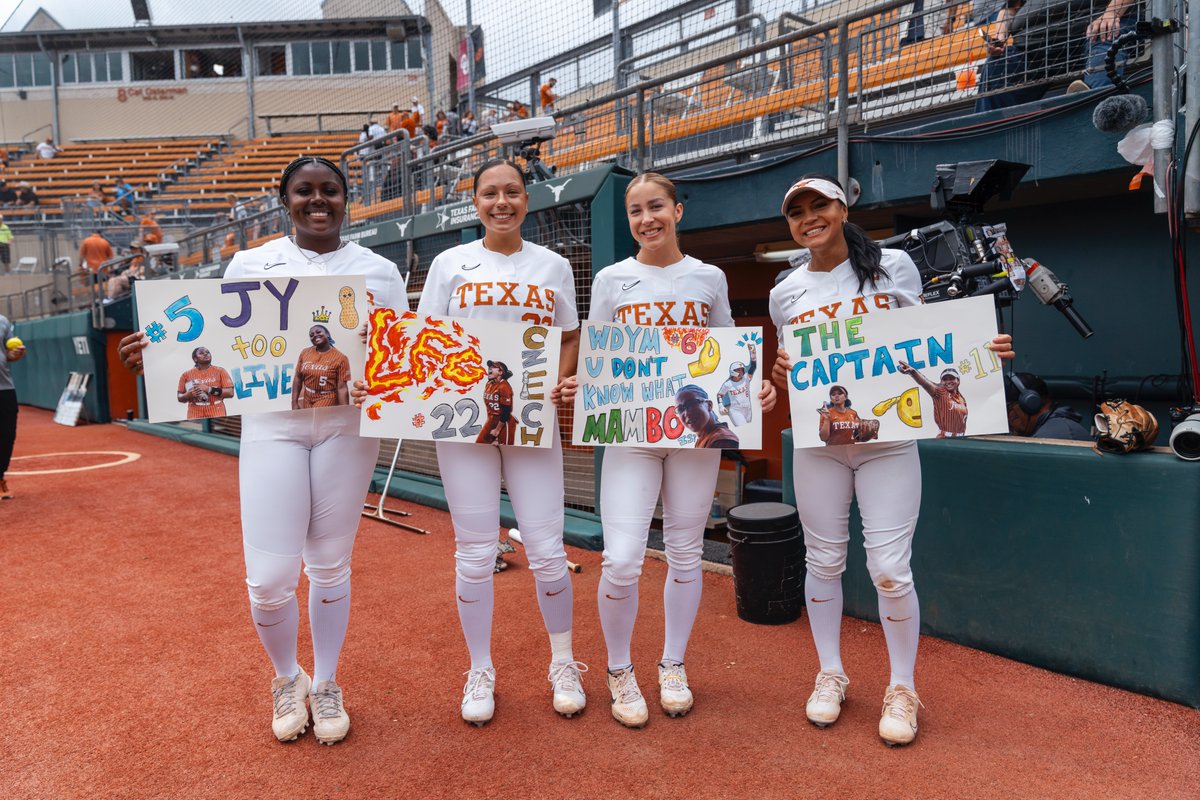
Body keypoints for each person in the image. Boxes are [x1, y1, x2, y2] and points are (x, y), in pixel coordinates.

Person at [119, 156, 408, 746]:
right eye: (304, 191)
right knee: (270, 578)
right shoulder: (250, 263)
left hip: (347, 427)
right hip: (273, 426)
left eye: (330, 190)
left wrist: (381, 379)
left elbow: (395, 357)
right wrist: (157, 354)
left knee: (329, 566)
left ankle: (326, 682)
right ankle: (286, 676)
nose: (317, 200)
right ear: (286, 200)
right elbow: (206, 336)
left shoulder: (378, 269)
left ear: (347, 198)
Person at [769, 174, 1013, 746]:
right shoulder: (785, 291)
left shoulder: (893, 265)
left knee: (889, 568)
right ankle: (830, 672)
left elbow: (930, 337)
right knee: (823, 562)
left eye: (819, 204)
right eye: (797, 210)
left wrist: (983, 349)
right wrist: (781, 374)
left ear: (842, 206)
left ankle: (902, 686)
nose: (809, 216)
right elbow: (795, 370)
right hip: (821, 447)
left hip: (889, 443)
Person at [563, 172, 776, 728]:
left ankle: (673, 664)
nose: (646, 219)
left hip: (695, 435)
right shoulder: (612, 278)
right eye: (635, 211)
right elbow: (597, 352)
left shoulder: (708, 277)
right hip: (632, 434)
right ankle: (617, 669)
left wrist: (753, 387)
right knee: (623, 557)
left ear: (678, 210)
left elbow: (730, 348)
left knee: (685, 551)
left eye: (655, 206)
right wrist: (579, 383)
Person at [414, 158, 583, 726]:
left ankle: (563, 660)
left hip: (531, 419)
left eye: (512, 192)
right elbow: (424, 339)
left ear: (527, 200)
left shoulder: (554, 265)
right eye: (490, 193)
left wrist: (560, 382)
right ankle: (480, 667)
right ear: (476, 201)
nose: (501, 202)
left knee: (548, 550)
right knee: (475, 550)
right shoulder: (449, 263)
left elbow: (570, 336)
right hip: (464, 421)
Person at [1006, 371, 1091, 440]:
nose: (1007, 417)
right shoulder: (1055, 427)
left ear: (1030, 403)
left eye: (1008, 408)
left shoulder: (1054, 434)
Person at [898, 364, 968, 438]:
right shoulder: (941, 393)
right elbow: (926, 383)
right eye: (945, 379)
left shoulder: (961, 398)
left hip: (961, 438)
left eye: (951, 378)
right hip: (945, 439)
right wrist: (913, 372)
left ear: (958, 380)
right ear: (941, 382)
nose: (948, 381)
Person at [291, 324, 351, 410]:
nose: (315, 335)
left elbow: (342, 388)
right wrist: (294, 402)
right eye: (311, 335)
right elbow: (298, 378)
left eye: (318, 332)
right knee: (308, 421)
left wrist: (344, 410)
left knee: (319, 422)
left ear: (327, 334)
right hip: (307, 396)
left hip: (326, 397)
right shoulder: (305, 353)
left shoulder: (341, 358)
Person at [0, 312, 26, 500]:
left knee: (7, 435)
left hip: (4, 387)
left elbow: (9, 355)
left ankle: (0, 476)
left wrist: (15, 354)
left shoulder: (2, 322)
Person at [676, 384, 740, 449]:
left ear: (709, 405)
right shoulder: (705, 438)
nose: (687, 414)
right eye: (680, 409)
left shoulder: (721, 440)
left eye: (692, 404)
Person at [177, 346, 234, 418]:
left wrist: (209, 389)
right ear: (195, 359)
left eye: (207, 352)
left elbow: (230, 392)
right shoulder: (186, 375)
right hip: (194, 410)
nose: (205, 354)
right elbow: (179, 397)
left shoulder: (220, 371)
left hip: (216, 409)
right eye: (201, 353)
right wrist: (188, 395)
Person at [476, 360, 516, 445]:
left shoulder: (504, 387)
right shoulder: (489, 384)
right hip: (491, 419)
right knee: (479, 444)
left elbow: (506, 412)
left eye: (493, 367)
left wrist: (497, 430)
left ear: (500, 372)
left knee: (506, 449)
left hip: (504, 421)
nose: (489, 368)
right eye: (489, 366)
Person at [716, 345, 757, 425]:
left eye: (741, 370)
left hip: (748, 409)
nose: (740, 372)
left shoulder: (746, 378)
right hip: (736, 410)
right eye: (738, 370)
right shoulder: (728, 384)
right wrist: (721, 405)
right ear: (732, 371)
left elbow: (753, 366)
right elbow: (719, 395)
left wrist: (752, 353)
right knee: (743, 427)